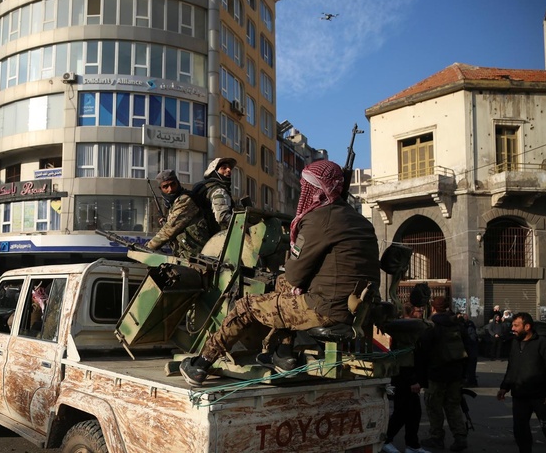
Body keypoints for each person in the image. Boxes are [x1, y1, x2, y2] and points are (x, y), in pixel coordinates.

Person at [179, 160, 380, 385]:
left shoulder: (319, 219)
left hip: (327, 308)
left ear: (313, 188)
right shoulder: (361, 221)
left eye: (306, 187)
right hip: (359, 307)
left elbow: (295, 275)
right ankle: (284, 354)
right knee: (283, 284)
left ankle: (201, 364)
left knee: (246, 306)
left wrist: (294, 274)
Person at [497, 312, 546, 453]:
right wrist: (504, 387)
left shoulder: (543, 344)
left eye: (516, 325)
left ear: (527, 326)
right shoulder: (515, 343)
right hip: (520, 396)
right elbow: (512, 368)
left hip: (541, 398)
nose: (513, 328)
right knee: (520, 432)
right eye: (512, 325)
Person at [420, 296, 469, 452]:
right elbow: (468, 349)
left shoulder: (432, 327)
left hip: (436, 374)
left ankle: (437, 438)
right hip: (455, 374)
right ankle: (460, 437)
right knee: (453, 406)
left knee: (434, 407)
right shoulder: (458, 325)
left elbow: (424, 352)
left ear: (433, 308)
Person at [381, 303, 430, 453]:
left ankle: (412, 445)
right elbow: (405, 359)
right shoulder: (404, 328)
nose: (421, 311)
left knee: (414, 413)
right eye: (418, 309)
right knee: (402, 412)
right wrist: (412, 380)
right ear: (410, 311)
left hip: (409, 377)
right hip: (404, 379)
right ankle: (386, 440)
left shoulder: (411, 327)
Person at [144, 169, 211, 258]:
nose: (170, 189)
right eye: (165, 186)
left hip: (199, 255)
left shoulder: (185, 199)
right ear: (161, 189)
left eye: (173, 184)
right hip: (189, 255)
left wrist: (148, 247)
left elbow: (169, 230)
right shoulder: (174, 203)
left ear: (178, 183)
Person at [191, 157, 236, 232]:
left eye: (229, 168)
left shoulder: (206, 188)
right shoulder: (218, 191)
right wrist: (242, 224)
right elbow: (223, 217)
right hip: (217, 236)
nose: (229, 170)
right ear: (214, 172)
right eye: (223, 168)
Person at [459, 313, 479, 387]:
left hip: (470, 351)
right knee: (470, 368)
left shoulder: (468, 328)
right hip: (471, 351)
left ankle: (471, 381)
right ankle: (471, 381)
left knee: (470, 368)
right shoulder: (468, 327)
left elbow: (472, 338)